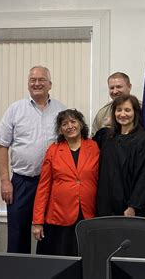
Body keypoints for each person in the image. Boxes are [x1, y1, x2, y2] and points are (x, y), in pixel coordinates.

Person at [0, 66, 65, 253]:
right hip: (21, 183)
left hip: (51, 184)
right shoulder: (15, 110)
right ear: (28, 85)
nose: (37, 83)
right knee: (17, 236)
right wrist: (4, 181)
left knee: (49, 236)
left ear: (50, 84)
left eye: (41, 79)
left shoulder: (61, 111)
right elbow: (2, 146)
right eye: (32, 80)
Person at [32, 109, 99, 256]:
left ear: (81, 124)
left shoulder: (94, 147)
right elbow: (43, 188)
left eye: (73, 121)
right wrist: (37, 221)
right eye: (64, 124)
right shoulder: (53, 150)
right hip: (60, 216)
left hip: (87, 214)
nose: (70, 126)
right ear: (60, 130)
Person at [94, 94, 145, 217]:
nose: (122, 114)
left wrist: (133, 206)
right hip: (105, 206)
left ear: (135, 113)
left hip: (129, 209)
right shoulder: (106, 137)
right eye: (119, 110)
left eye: (127, 110)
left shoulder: (143, 140)